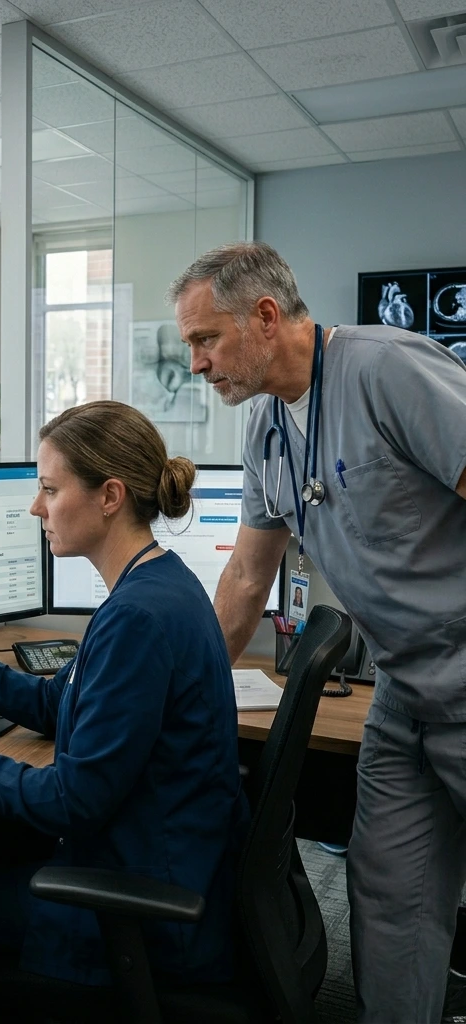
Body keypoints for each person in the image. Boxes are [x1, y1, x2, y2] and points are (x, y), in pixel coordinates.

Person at [0, 400, 248, 1023]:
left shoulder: (137, 619)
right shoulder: (159, 583)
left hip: (149, 907)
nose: (35, 507)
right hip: (172, 863)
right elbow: (56, 702)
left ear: (110, 496)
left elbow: (75, 799)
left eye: (49, 488)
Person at [168, 241, 466, 1024]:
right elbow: (243, 579)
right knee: (389, 891)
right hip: (404, 694)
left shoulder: (386, 369)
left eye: (206, 339)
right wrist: (175, 690)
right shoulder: (267, 428)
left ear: (266, 317)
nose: (196, 364)